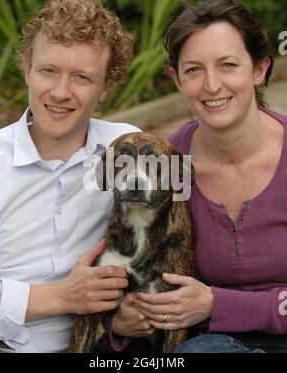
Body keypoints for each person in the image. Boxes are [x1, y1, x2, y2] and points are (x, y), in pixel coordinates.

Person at [108, 0, 287, 353]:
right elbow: (133, 258)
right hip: (215, 343)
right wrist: (120, 321)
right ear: (176, 79)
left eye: (228, 65)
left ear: (260, 69)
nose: (212, 85)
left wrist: (218, 305)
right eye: (193, 70)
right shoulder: (165, 165)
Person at [0, 0, 142, 353]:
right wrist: (61, 298)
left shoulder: (127, 150)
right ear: (27, 68)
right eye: (48, 71)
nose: (60, 92)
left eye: (82, 77)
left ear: (106, 86)